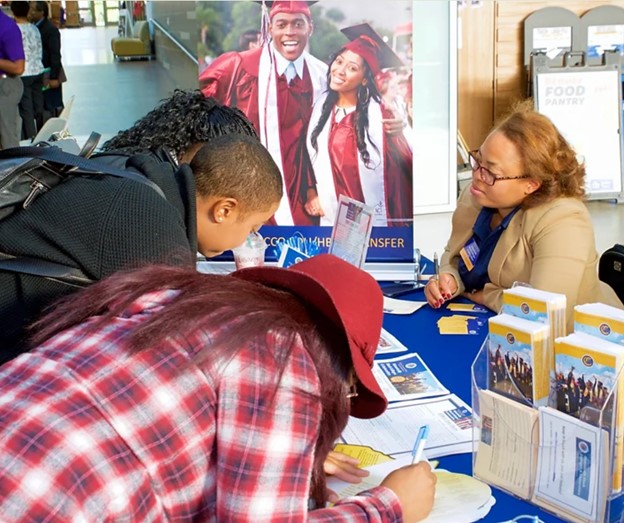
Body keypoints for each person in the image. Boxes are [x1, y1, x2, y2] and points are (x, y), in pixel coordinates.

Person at [0, 255, 437, 521]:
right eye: (349, 390)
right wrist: (389, 504)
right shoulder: (286, 357)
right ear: (338, 364)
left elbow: (158, 433)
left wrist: (285, 462)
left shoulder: (173, 299)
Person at [0, 112, 282, 363]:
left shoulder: (145, 175)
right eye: (252, 227)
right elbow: (174, 353)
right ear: (224, 210)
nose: (250, 237)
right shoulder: (154, 233)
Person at [424, 101, 624, 330]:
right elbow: (454, 256)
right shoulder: (477, 196)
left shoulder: (564, 221)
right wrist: (449, 281)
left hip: (581, 349)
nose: (477, 175)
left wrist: (484, 295)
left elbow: (544, 313)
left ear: (531, 184)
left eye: (491, 171)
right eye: (478, 160)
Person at [199, 0, 327, 226]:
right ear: (270, 28)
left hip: (305, 191)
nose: (290, 32)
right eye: (281, 24)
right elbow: (192, 107)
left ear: (310, 27)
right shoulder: (238, 67)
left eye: (298, 23)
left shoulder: (322, 75)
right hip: (249, 185)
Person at [305, 24, 413, 227]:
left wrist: (402, 130)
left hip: (365, 223)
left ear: (364, 79)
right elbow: (309, 158)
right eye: (339, 61)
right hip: (330, 217)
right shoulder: (321, 106)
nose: (340, 71)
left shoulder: (381, 116)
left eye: (352, 68)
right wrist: (312, 191)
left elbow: (401, 173)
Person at [11, 1, 45, 141]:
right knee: (38, 106)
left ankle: (31, 139)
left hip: (24, 73)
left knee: (26, 110)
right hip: (38, 70)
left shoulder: (14, 30)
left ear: (13, 12)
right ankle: (44, 135)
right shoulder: (34, 28)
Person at [29, 0, 65, 126]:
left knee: (51, 105)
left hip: (49, 73)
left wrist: (54, 77)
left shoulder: (50, 29)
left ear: (42, 12)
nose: (30, 12)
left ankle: (53, 132)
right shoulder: (33, 27)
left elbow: (55, 53)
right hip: (39, 72)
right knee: (41, 105)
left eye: (33, 10)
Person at [0, 7, 25, 149]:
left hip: (5, 86)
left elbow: (18, 68)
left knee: (7, 137)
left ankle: (13, 169)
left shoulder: (7, 28)